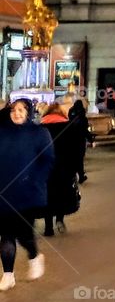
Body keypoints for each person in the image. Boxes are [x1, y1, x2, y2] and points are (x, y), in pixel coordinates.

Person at [0, 99, 54, 291]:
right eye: (14, 110)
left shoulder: (39, 133)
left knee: (24, 235)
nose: (17, 113)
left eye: (22, 110)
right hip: (4, 192)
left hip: (27, 193)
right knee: (6, 235)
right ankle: (8, 275)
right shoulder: (2, 132)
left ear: (29, 112)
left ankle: (34, 256)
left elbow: (47, 161)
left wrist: (35, 180)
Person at [39, 103, 83, 237]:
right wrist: (77, 167)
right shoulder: (70, 127)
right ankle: (59, 219)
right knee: (62, 194)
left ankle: (48, 228)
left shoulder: (40, 128)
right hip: (64, 168)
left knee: (47, 197)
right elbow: (77, 150)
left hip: (45, 169)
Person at [67, 98, 90, 183]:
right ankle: (81, 176)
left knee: (72, 158)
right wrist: (91, 139)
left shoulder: (71, 113)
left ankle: (72, 176)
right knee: (80, 159)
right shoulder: (83, 118)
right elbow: (85, 130)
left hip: (71, 140)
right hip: (80, 140)